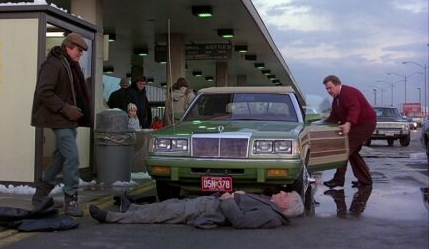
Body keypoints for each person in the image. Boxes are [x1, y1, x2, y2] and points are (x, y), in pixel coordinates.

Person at [31, 32, 92, 217]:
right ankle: (71, 199)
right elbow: (44, 92)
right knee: (72, 156)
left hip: (68, 119)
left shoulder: (69, 66)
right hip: (60, 119)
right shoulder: (54, 64)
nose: (80, 54)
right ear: (68, 47)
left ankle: (40, 196)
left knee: (60, 159)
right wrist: (66, 109)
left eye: (81, 51)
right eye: (78, 50)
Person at [88, 190, 304, 229]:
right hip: (209, 203)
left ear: (285, 205)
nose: (281, 192)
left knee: (161, 214)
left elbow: (240, 221)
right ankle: (131, 208)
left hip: (209, 209)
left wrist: (229, 199)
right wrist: (242, 194)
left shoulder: (270, 216)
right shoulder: (271, 207)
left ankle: (112, 217)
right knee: (168, 204)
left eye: (285, 195)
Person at [322, 75, 376, 188]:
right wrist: (319, 125)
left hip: (364, 124)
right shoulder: (336, 100)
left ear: (337, 85)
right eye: (326, 88)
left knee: (344, 149)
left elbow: (354, 108)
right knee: (352, 152)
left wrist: (348, 122)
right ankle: (365, 180)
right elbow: (333, 117)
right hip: (356, 125)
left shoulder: (348, 93)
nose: (328, 91)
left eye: (330, 88)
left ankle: (338, 179)